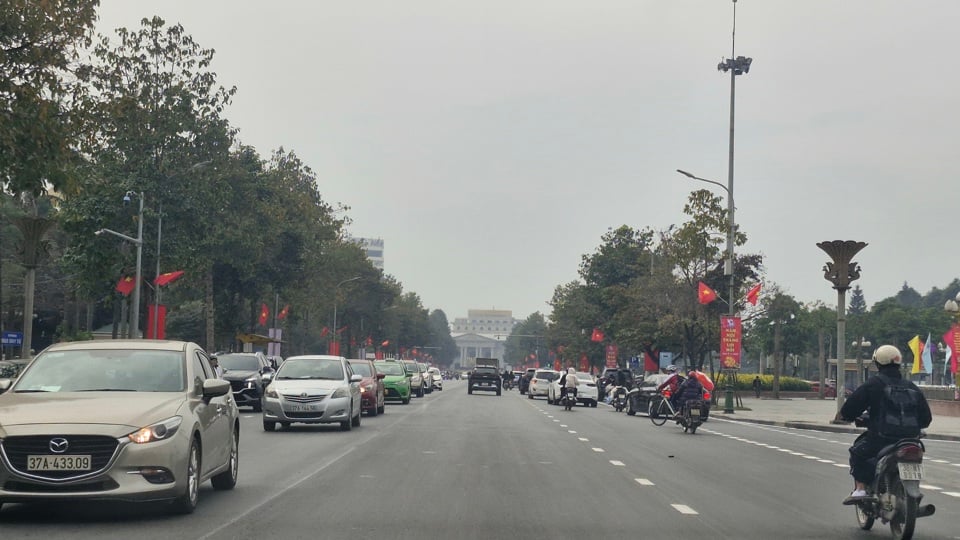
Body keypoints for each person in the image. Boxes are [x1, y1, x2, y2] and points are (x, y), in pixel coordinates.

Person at [839, 344, 932, 505]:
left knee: (857, 452)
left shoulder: (873, 384)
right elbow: (926, 419)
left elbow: (850, 409)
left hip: (881, 439)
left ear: (877, 363)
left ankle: (860, 489)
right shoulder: (912, 387)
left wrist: (847, 416)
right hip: (910, 440)